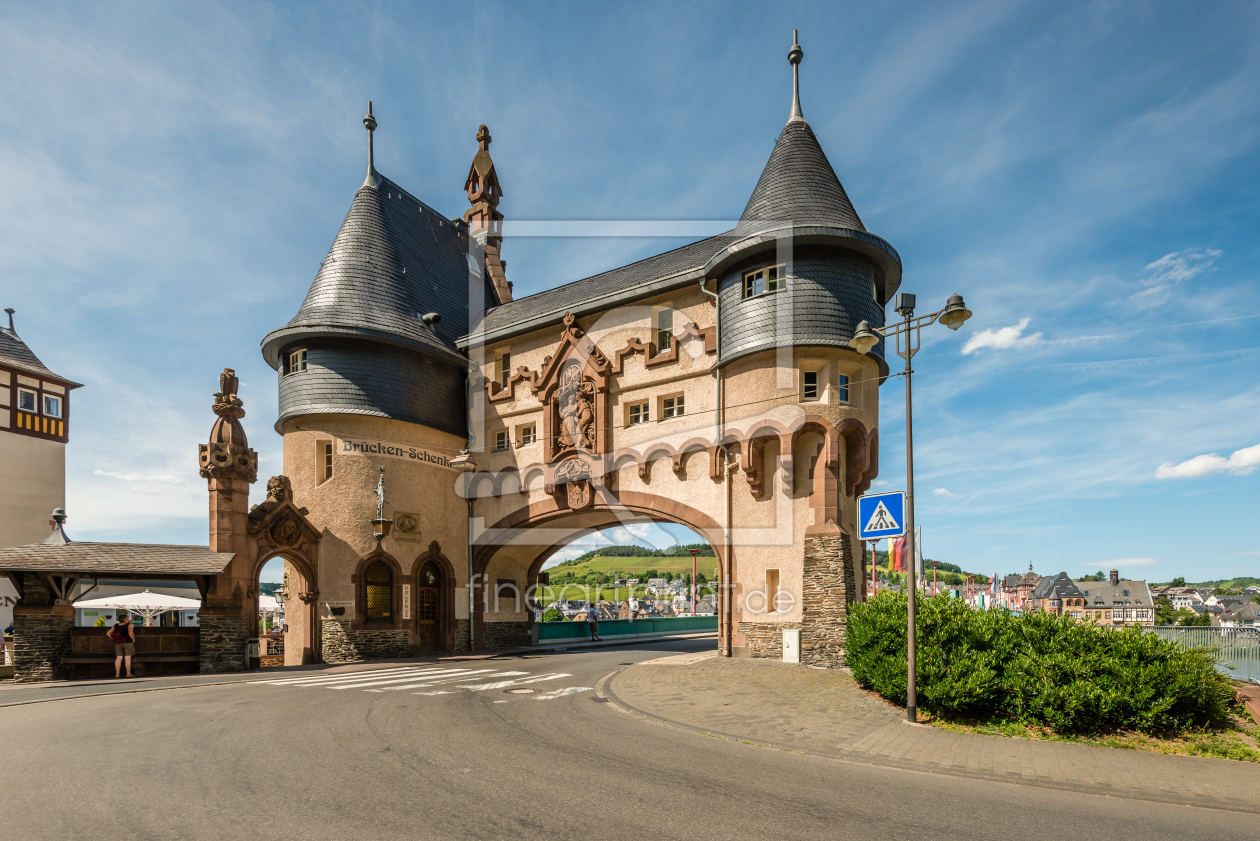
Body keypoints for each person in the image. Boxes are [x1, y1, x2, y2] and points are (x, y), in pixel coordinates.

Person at [108, 613, 136, 678]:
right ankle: (128, 673)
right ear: (125, 619)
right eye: (128, 617)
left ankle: (117, 674)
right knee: (127, 657)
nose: (129, 619)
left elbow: (108, 633)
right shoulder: (129, 625)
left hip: (118, 642)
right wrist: (133, 639)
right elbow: (130, 633)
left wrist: (114, 638)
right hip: (128, 642)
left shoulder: (116, 625)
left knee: (118, 658)